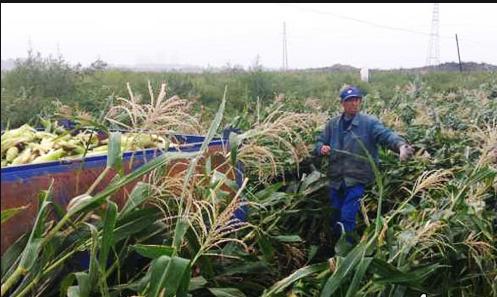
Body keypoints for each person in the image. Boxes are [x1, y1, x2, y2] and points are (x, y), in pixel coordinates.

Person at [315, 85, 414, 243]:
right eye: (349, 100)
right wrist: (321, 148)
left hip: (356, 179)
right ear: (342, 103)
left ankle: (346, 254)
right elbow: (319, 141)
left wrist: (400, 146)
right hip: (336, 180)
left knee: (347, 217)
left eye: (356, 100)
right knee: (335, 215)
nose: (354, 103)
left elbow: (386, 135)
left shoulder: (369, 123)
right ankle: (334, 246)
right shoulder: (332, 124)